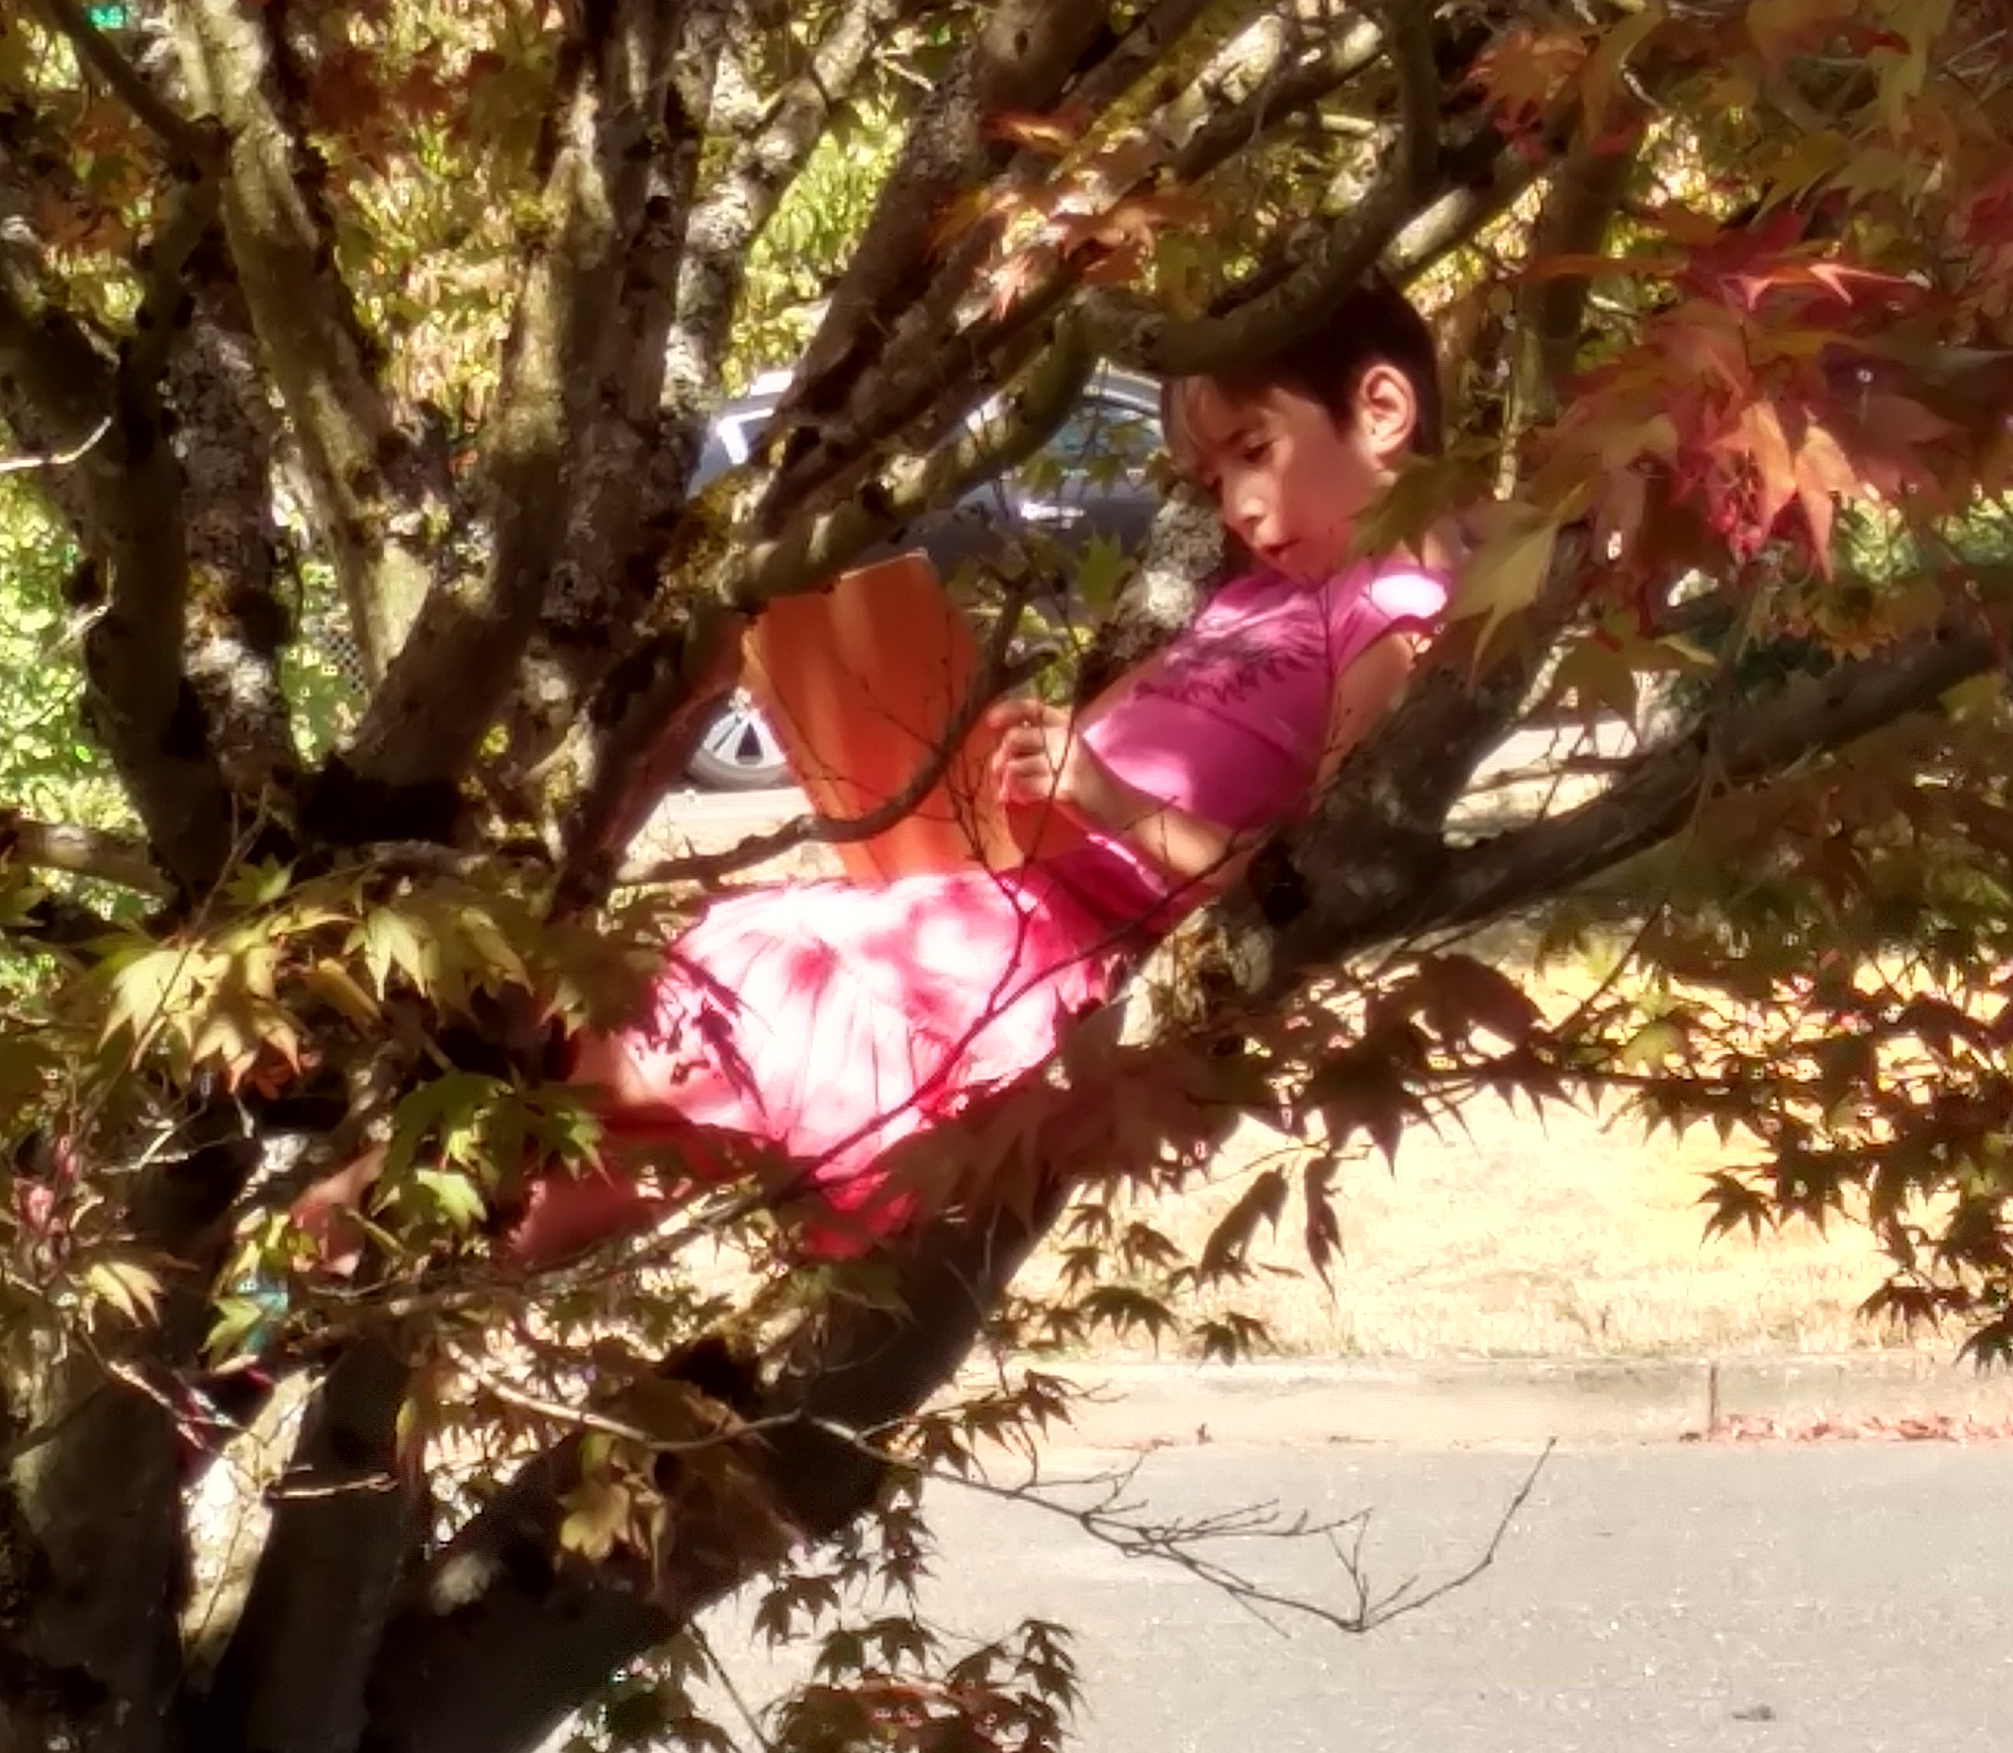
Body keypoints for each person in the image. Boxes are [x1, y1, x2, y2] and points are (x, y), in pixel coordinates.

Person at [528, 283, 1448, 1250]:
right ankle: (404, 1246)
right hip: (986, 901)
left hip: (1039, 960)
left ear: (1381, 411)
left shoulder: (1389, 606)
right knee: (630, 1086)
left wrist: (1105, 795)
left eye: (1253, 451)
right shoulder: (1258, 598)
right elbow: (1092, 752)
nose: (1242, 507)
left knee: (673, 1026)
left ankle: (402, 1203)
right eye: (1213, 482)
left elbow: (1307, 886)